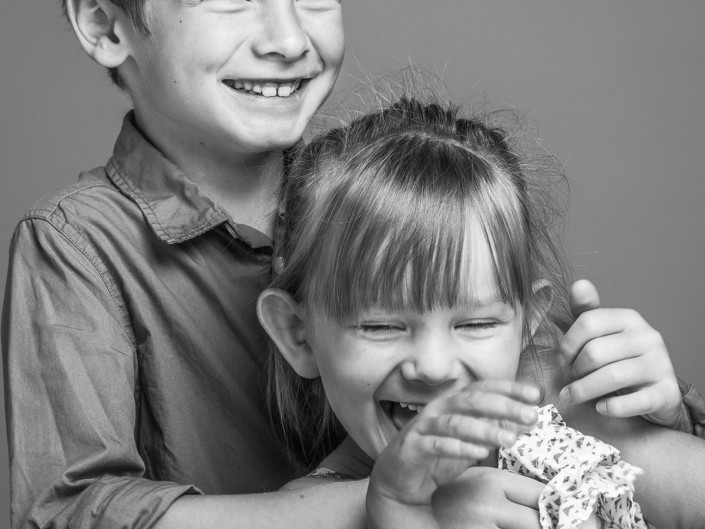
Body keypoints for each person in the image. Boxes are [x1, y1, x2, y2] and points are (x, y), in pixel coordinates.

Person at [2, 0, 703, 527]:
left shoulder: (392, 187)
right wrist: (389, 504)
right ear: (103, 23)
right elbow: (68, 509)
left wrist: (662, 413)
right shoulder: (75, 243)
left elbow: (552, 390)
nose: (285, 38)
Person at [256, 96, 705, 528]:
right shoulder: (310, 511)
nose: (434, 368)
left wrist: (669, 423)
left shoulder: (559, 436)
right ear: (299, 334)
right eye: (381, 326)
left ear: (526, 324)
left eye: (476, 323)